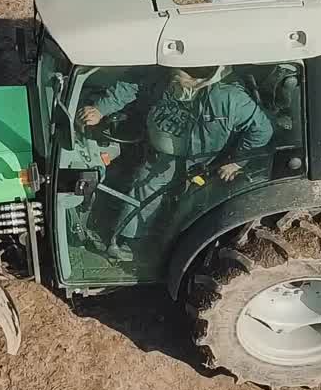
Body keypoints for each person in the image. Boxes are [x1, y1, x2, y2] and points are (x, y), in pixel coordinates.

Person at [78, 65, 273, 261]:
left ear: (198, 79)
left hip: (191, 161)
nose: (172, 77)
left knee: (146, 190)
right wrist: (100, 108)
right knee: (137, 183)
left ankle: (129, 244)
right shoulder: (168, 75)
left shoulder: (230, 98)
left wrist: (237, 163)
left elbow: (262, 130)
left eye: (178, 76)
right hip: (153, 148)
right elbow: (134, 85)